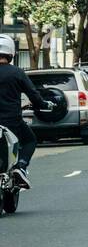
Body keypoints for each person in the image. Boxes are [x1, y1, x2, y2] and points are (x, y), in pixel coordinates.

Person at [0, 35, 51, 189]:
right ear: (11, 53)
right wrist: (43, 104)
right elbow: (33, 94)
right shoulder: (17, 73)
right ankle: (20, 167)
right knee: (30, 140)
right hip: (11, 122)